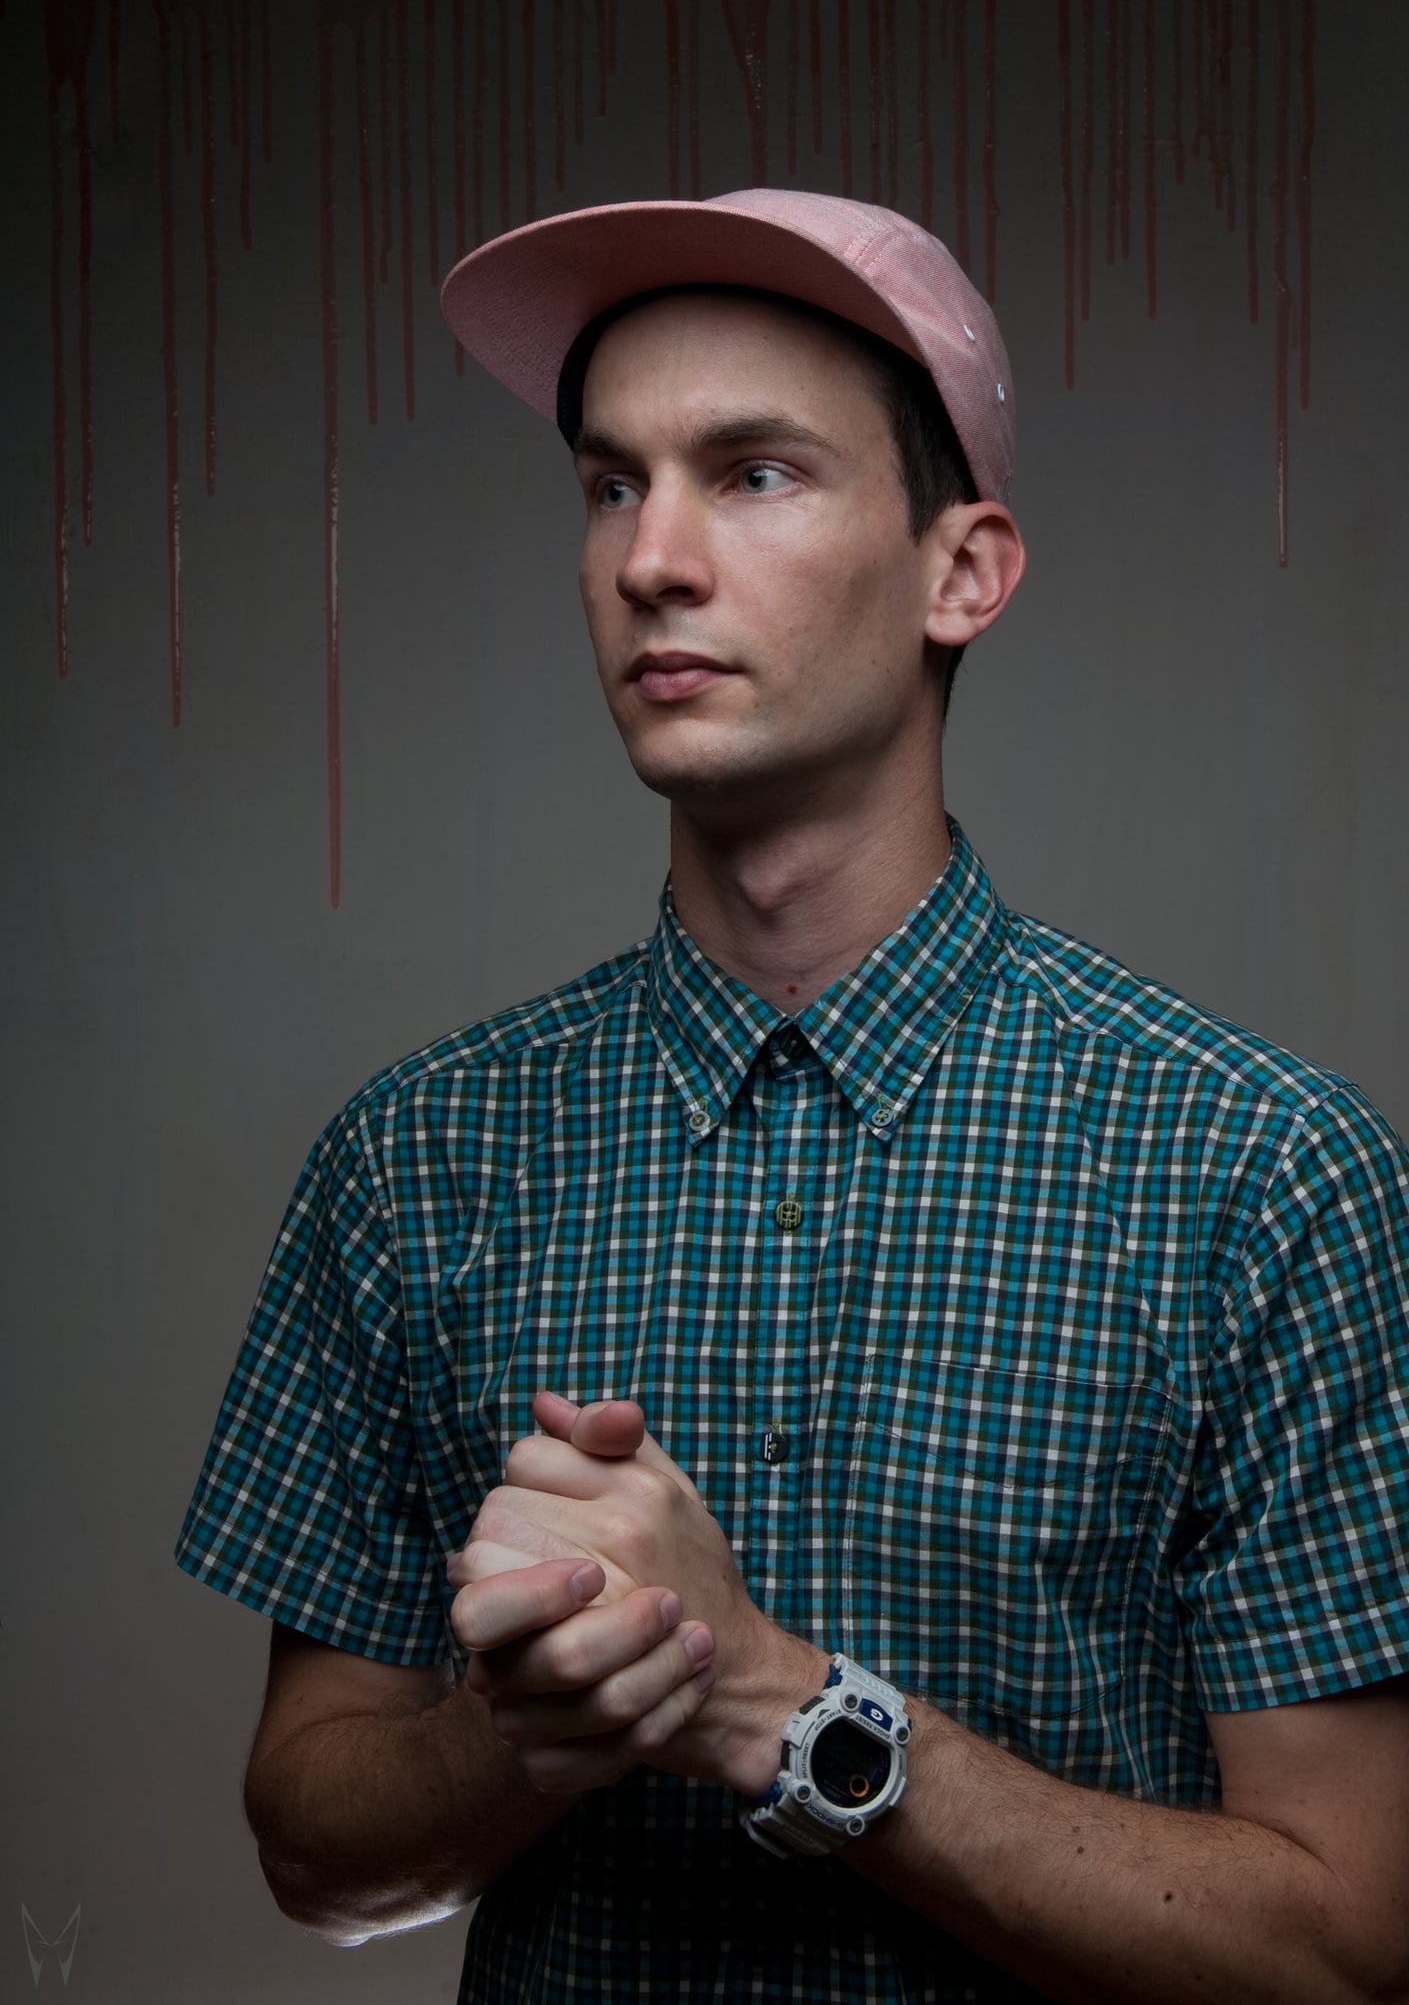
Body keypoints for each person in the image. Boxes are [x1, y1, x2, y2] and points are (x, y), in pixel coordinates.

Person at [175, 189, 1409, 2003]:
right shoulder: (418, 1155)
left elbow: (1348, 1942)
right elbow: (312, 1844)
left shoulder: (1258, 1168)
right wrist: (533, 1719)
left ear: (960, 571)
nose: (650, 560)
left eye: (753, 474)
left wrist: (774, 1704)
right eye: (611, 485)